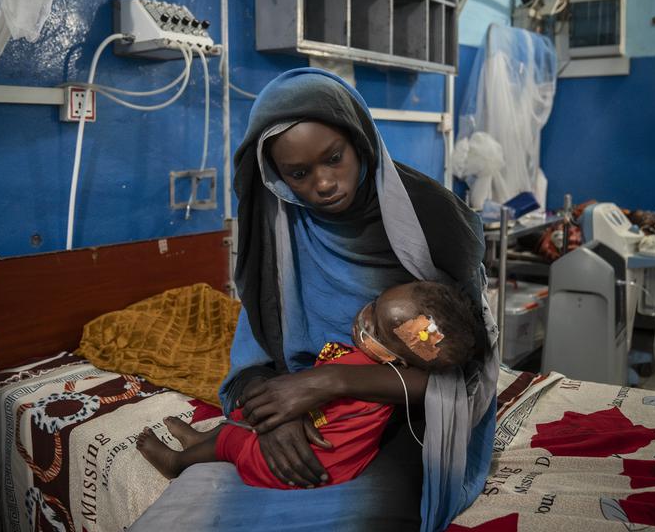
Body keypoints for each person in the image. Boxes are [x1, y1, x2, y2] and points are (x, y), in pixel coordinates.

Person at [207, 68, 495, 531]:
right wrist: (274, 416)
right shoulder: (279, 229)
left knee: (374, 511)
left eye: (334, 158)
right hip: (300, 398)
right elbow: (259, 356)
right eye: (298, 173)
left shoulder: (432, 218)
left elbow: (460, 369)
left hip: (406, 408)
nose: (322, 184)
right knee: (210, 505)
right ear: (275, 177)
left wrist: (332, 382)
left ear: (360, 141)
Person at [136, 280, 486, 490]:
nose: (363, 317)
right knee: (247, 411)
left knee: (239, 436)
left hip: (295, 464)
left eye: (377, 329)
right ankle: (202, 440)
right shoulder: (379, 367)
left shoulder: (367, 373)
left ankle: (177, 462)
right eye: (374, 304)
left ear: (400, 360)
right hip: (327, 456)